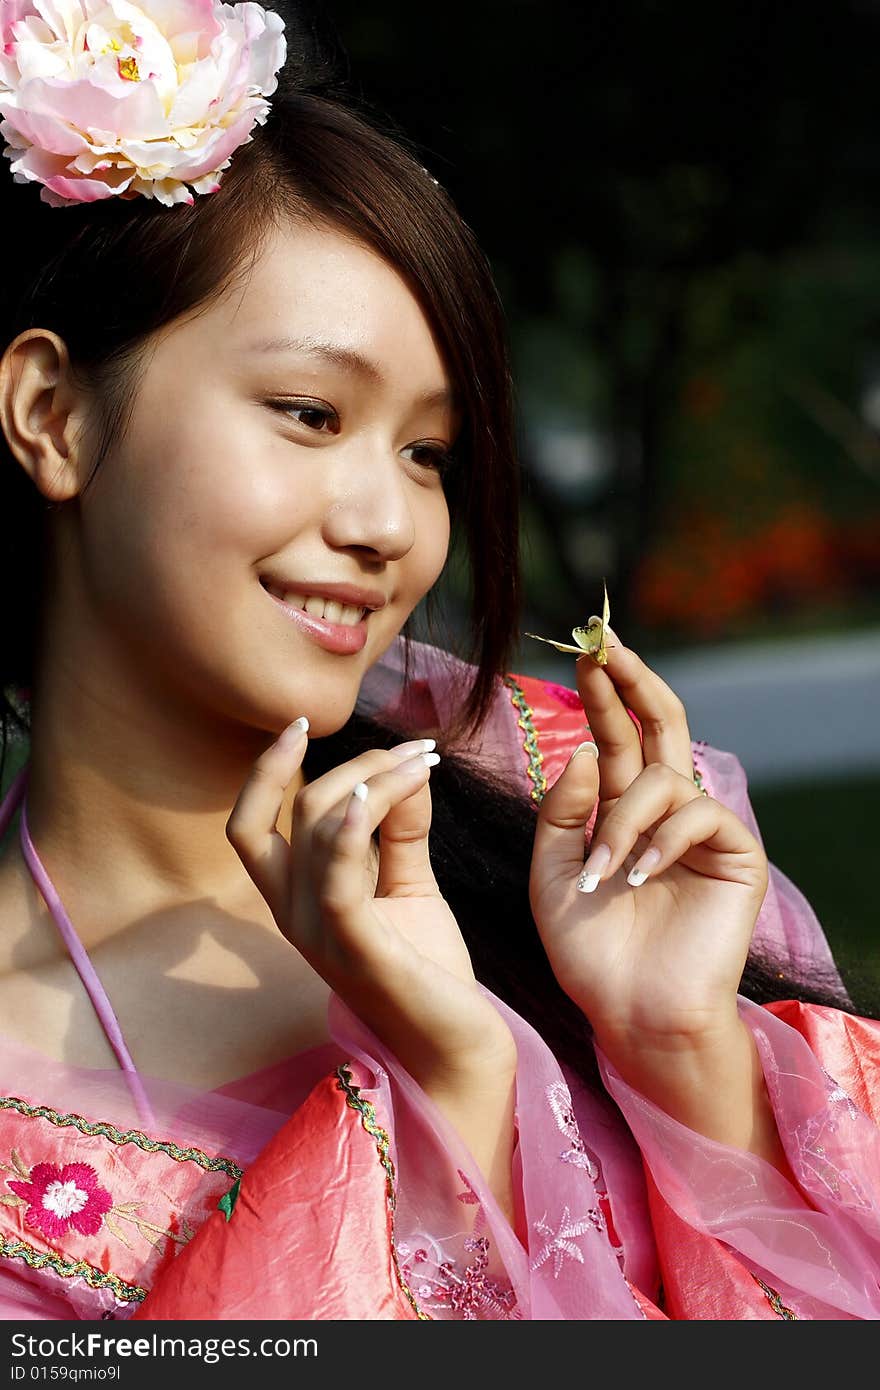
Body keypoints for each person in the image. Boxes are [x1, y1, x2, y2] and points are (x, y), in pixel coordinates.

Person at [0, 0, 878, 1323]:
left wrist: (683, 1049)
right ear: (51, 413)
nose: (388, 525)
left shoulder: (586, 811)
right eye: (310, 413)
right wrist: (454, 1084)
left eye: (427, 453)